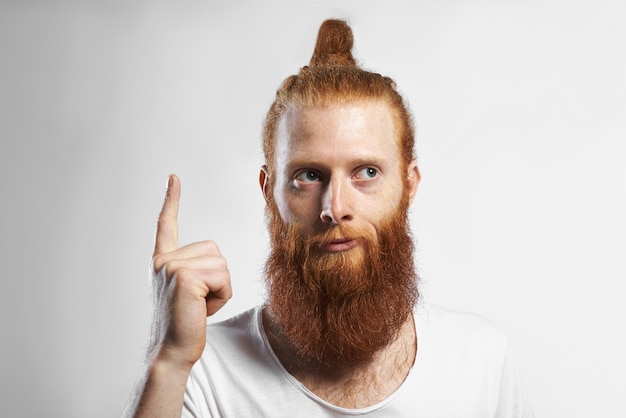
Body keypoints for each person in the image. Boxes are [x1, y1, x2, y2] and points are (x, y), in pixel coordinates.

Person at [125, 19, 534, 417]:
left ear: (409, 185)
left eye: (367, 172)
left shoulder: (480, 360)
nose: (335, 208)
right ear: (269, 191)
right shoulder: (199, 371)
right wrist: (169, 361)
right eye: (308, 176)